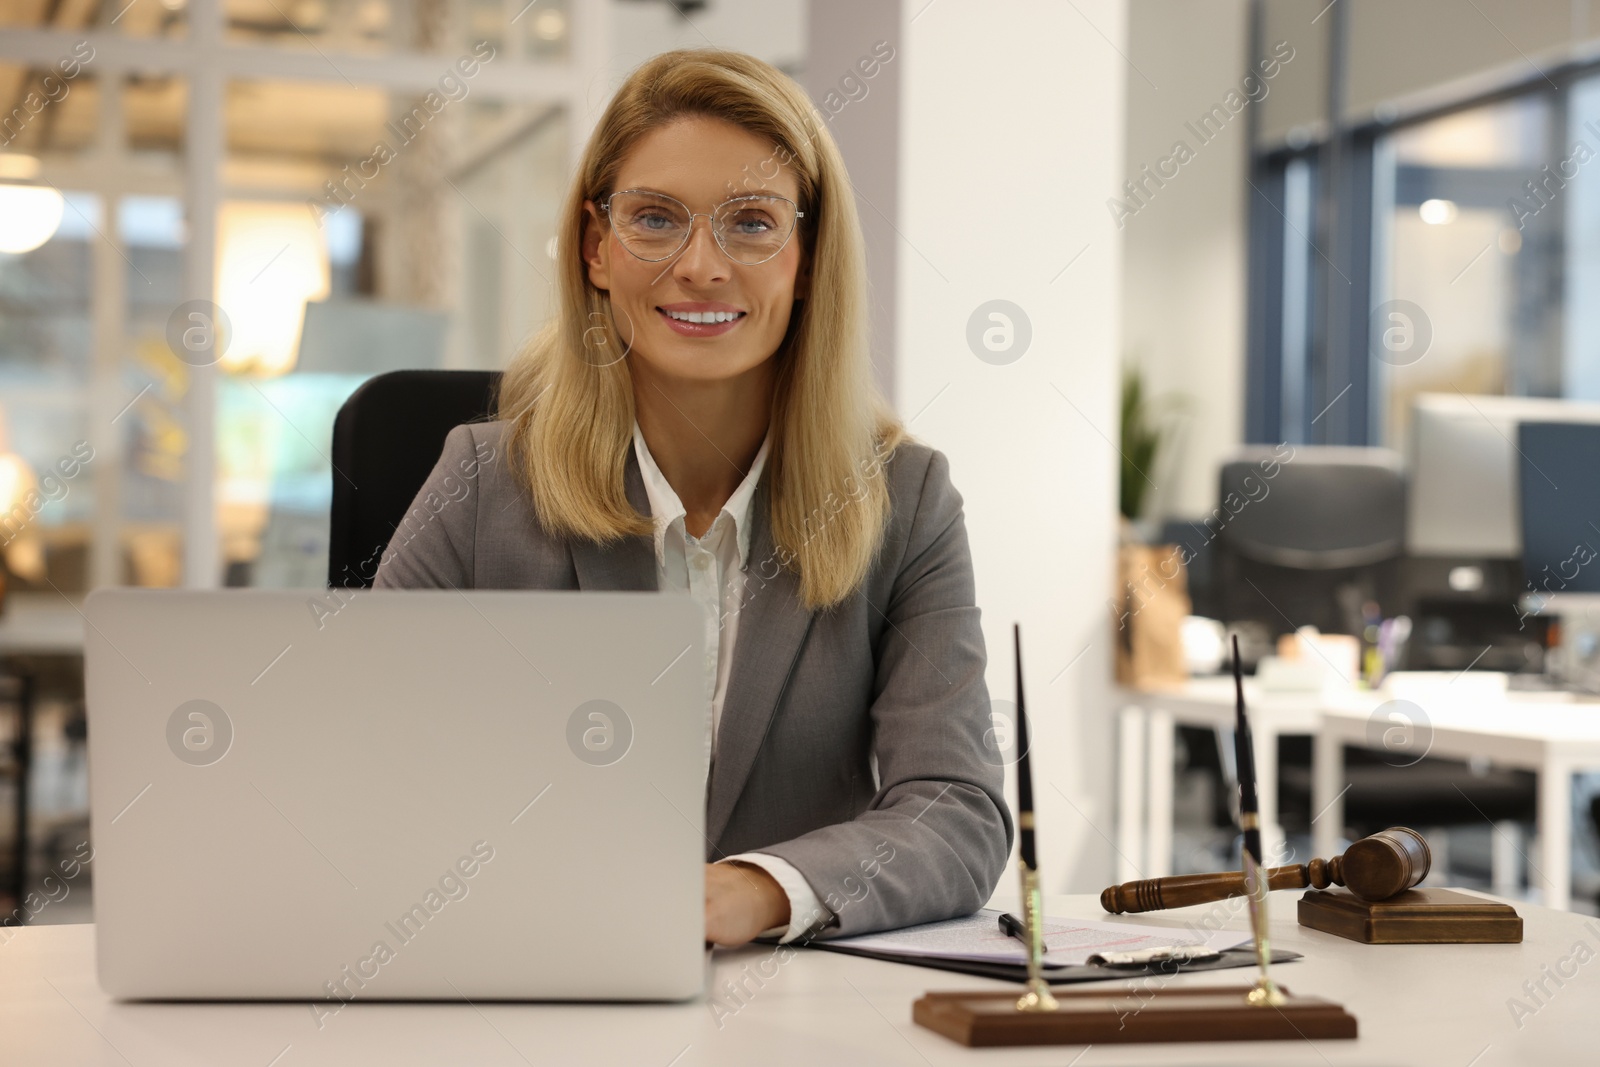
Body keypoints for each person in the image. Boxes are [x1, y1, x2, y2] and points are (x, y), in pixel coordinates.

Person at [374, 47, 1011, 948]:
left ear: (807, 254)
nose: (701, 265)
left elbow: (956, 810)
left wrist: (758, 889)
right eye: (655, 219)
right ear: (596, 248)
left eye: (752, 222)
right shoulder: (481, 483)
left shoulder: (905, 499)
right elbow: (367, 768)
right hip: (529, 979)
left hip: (799, 1008)